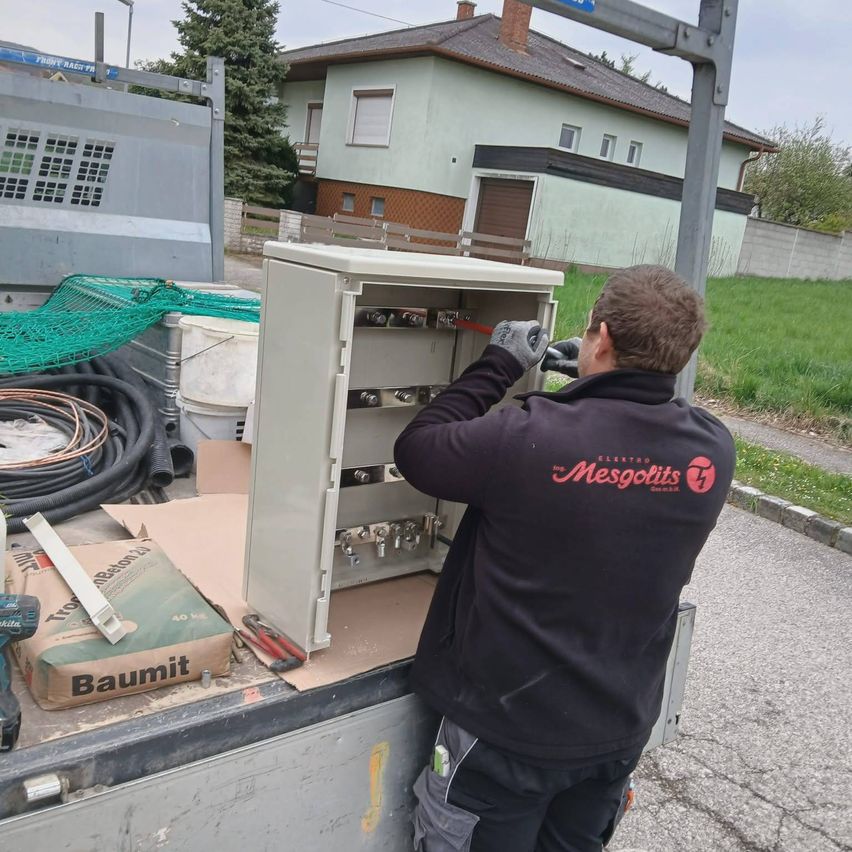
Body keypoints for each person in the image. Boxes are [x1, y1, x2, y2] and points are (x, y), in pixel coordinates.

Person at [393, 265, 735, 852]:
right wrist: (591, 380)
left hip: (506, 738)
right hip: (615, 735)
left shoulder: (527, 438)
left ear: (600, 337)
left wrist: (500, 363)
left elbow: (418, 450)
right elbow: (618, 439)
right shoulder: (712, 449)